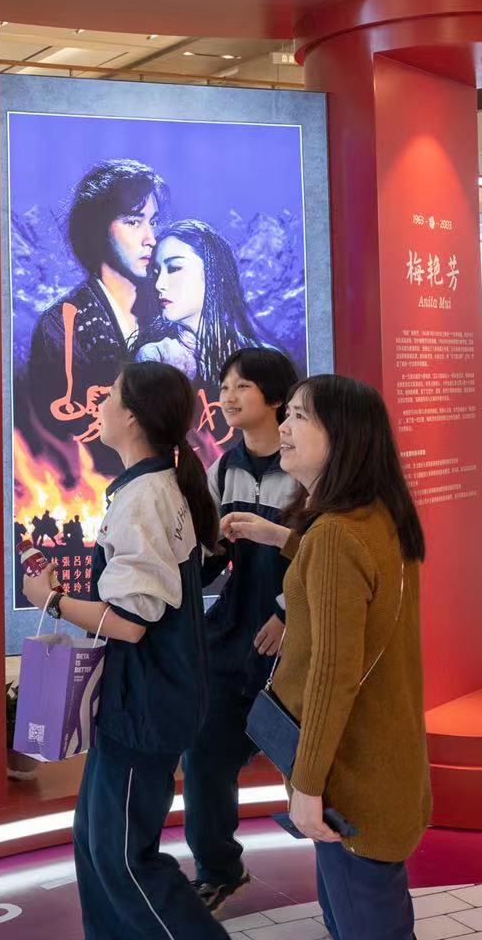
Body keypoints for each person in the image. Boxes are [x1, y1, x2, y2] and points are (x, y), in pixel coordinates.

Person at [19, 360, 220, 939]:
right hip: (141, 700)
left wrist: (52, 600)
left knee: (123, 859)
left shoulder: (144, 497)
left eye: (108, 396)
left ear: (132, 417)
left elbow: (131, 622)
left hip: (144, 704)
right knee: (96, 842)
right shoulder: (153, 486)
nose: (98, 404)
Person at [223, 375, 429, 939]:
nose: (284, 428)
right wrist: (282, 538)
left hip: (349, 775)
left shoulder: (336, 535)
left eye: (299, 417)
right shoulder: (375, 515)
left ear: (343, 436)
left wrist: (308, 787)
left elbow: (332, 676)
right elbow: (346, 579)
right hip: (383, 761)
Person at [182, 347, 300, 914]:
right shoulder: (223, 469)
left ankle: (346, 871)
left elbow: (327, 556)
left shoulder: (305, 469)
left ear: (275, 398)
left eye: (242, 387)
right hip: (230, 636)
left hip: (290, 642)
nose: (227, 397)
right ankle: (219, 869)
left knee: (307, 762)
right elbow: (208, 558)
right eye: (225, 386)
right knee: (204, 756)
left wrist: (287, 613)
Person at [23, 160, 166, 466]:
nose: (150, 238)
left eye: (153, 222)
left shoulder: (172, 309)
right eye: (133, 222)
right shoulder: (61, 326)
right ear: (98, 229)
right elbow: (54, 440)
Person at [133, 220, 263, 384]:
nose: (159, 284)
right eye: (156, 273)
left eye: (174, 268)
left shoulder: (262, 359)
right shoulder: (155, 357)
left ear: (214, 273)